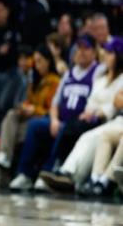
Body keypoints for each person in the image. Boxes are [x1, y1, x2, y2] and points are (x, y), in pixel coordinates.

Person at [9, 34, 101, 191]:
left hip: (79, 124)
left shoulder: (99, 71)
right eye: (79, 48)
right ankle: (24, 174)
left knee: (65, 129)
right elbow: (55, 104)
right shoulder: (69, 74)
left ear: (94, 52)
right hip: (60, 121)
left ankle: (48, 171)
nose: (81, 52)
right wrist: (54, 120)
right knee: (35, 125)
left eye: (86, 48)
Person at [39, 37, 123, 193]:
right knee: (82, 133)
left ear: (119, 56)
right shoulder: (101, 79)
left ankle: (76, 177)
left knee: (88, 135)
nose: (106, 55)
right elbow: (92, 101)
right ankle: (68, 172)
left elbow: (116, 104)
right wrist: (91, 111)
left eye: (110, 53)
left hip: (109, 119)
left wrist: (99, 112)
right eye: (106, 52)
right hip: (96, 118)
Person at [0, 44, 59, 190]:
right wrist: (23, 107)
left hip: (42, 121)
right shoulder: (34, 82)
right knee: (11, 114)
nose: (36, 65)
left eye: (39, 61)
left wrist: (34, 110)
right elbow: (28, 101)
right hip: (28, 120)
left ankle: (1, 173)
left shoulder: (55, 82)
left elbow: (52, 109)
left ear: (48, 61)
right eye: (35, 61)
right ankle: (3, 158)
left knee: (8, 136)